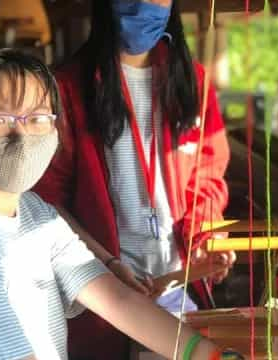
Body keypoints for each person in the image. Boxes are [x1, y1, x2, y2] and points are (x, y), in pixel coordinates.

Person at [0, 49, 227, 360]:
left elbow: (117, 300)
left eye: (37, 119)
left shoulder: (35, 214)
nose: (22, 136)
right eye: (0, 120)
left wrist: (212, 356)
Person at [33, 0, 237, 359]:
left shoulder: (193, 80)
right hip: (100, 290)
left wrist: (204, 234)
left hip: (177, 283)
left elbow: (207, 174)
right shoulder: (67, 87)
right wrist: (107, 265)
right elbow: (48, 200)